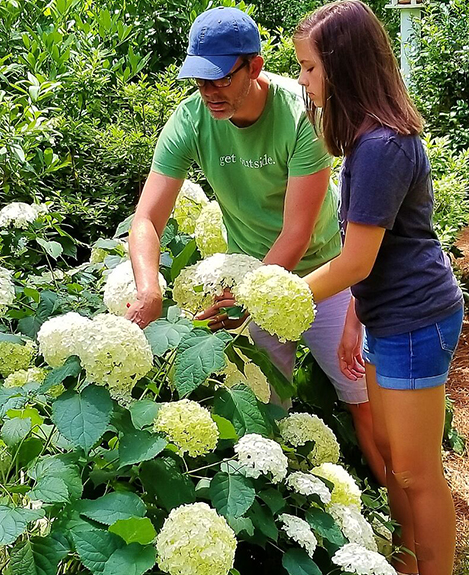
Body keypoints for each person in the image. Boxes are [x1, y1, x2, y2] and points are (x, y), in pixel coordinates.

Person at [123, 6, 385, 485]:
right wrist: (148, 288)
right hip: (252, 276)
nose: (209, 92)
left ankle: (396, 506)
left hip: (322, 275)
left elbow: (296, 233)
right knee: (262, 415)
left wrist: (248, 298)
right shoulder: (190, 119)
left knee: (365, 400)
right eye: (199, 80)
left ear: (255, 66)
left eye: (220, 79)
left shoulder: (302, 110)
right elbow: (146, 219)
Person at [293, 2, 465, 574]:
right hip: (384, 316)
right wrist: (352, 319)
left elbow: (356, 261)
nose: (303, 80)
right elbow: (369, 255)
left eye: (310, 68)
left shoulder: (383, 147)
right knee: (393, 460)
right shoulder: (367, 141)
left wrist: (273, 300)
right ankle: (409, 563)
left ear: (343, 69)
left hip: (415, 320)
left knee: (417, 472)